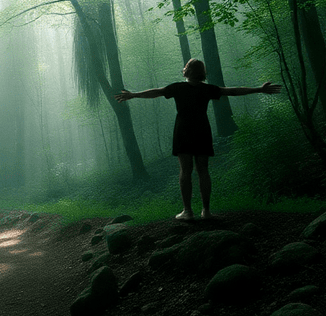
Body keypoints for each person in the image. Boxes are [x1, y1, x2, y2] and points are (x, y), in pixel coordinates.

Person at [115, 59, 282, 220]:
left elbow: (157, 92)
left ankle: (187, 211)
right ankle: (206, 211)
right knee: (203, 171)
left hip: (183, 131)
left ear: (186, 71)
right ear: (203, 73)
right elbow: (232, 91)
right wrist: (259, 89)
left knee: (185, 171)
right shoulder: (207, 89)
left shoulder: (178, 88)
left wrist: (133, 95)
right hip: (202, 130)